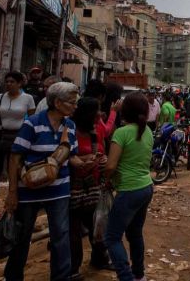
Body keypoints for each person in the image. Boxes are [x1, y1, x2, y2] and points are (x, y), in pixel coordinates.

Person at [5, 82, 83, 281]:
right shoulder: (32, 123)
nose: (75, 106)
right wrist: (12, 192)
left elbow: (71, 156)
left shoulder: (70, 126)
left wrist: (85, 161)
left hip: (59, 190)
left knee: (60, 236)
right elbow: (15, 158)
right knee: (22, 238)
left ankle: (61, 277)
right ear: (57, 102)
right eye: (71, 102)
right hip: (28, 191)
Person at [103, 92, 154, 281]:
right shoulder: (147, 131)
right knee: (134, 233)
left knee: (112, 237)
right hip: (146, 187)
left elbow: (110, 165)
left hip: (128, 190)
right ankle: (138, 274)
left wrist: (105, 180)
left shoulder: (122, 133)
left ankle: (126, 277)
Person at [70, 97, 112, 279]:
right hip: (73, 188)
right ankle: (72, 269)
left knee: (97, 226)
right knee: (73, 232)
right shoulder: (70, 131)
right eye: (97, 110)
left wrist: (102, 160)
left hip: (93, 187)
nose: (100, 113)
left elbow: (101, 151)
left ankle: (99, 258)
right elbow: (66, 155)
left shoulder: (95, 131)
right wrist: (84, 160)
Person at [0, 71, 36, 201]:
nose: (8, 84)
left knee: (15, 170)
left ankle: (14, 201)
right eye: (7, 81)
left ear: (20, 83)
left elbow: (32, 119)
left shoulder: (28, 98)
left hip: (17, 137)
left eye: (12, 82)